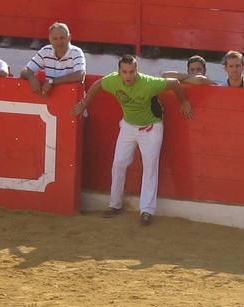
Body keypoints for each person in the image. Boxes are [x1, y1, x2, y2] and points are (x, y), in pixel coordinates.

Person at [71, 54, 194, 225]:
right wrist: (84, 103)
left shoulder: (149, 83)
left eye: (131, 71)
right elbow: (98, 84)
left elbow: (175, 83)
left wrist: (183, 101)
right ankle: (115, 204)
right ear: (119, 72)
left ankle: (147, 211)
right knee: (118, 164)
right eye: (125, 72)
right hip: (128, 126)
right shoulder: (112, 81)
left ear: (137, 71)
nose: (128, 76)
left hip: (151, 128)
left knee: (150, 168)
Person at [21, 22, 86, 102]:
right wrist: (32, 78)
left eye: (62, 38)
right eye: (55, 39)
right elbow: (24, 70)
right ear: (50, 39)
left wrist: (52, 82)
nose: (59, 42)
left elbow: (80, 75)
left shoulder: (76, 52)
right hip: (50, 99)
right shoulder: (45, 51)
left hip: (72, 100)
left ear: (69, 37)